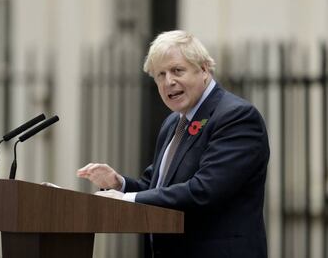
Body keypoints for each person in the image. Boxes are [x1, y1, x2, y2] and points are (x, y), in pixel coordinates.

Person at [77, 30, 269, 258]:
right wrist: (119, 184)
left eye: (177, 70)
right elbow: (156, 189)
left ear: (204, 70)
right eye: (160, 74)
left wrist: (126, 199)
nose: (169, 81)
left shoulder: (236, 117)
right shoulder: (173, 122)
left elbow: (204, 191)